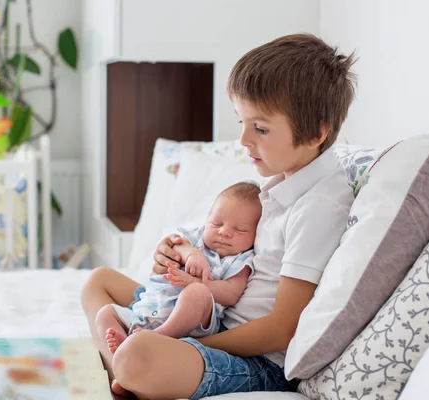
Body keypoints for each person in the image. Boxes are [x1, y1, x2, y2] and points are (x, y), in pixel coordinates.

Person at [80, 33, 356, 399]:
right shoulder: (280, 183)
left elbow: (282, 329)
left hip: (255, 360)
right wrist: (178, 250)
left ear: (316, 133)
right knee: (97, 282)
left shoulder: (318, 205)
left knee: (140, 356)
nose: (243, 140)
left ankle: (128, 366)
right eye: (242, 122)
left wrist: (197, 338)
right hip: (209, 314)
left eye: (259, 128)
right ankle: (129, 369)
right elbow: (221, 243)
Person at [95, 182, 261, 354]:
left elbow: (232, 294)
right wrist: (191, 254)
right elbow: (175, 245)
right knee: (105, 314)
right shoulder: (197, 238)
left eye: (240, 230)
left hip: (189, 324)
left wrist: (193, 282)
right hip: (144, 312)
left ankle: (160, 336)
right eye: (216, 223)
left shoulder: (241, 260)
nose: (224, 232)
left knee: (197, 292)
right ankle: (123, 351)